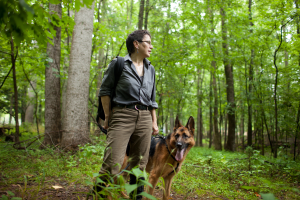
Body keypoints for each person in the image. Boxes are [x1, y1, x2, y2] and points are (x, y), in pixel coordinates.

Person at [97, 30, 159, 199]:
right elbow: (105, 91)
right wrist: (109, 117)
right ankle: (98, 195)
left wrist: (154, 122)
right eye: (148, 42)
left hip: (145, 117)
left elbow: (152, 99)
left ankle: (136, 197)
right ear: (136, 44)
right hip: (122, 115)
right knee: (112, 162)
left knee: (139, 163)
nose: (152, 46)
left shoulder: (151, 69)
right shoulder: (118, 64)